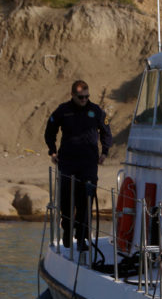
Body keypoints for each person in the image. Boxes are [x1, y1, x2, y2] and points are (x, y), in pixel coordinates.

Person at [44, 80, 113, 250]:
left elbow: (106, 132)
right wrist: (52, 151)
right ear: (73, 95)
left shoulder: (96, 111)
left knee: (85, 200)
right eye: (81, 97)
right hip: (67, 161)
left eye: (87, 96)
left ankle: (81, 236)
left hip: (88, 163)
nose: (84, 100)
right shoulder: (63, 110)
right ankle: (67, 230)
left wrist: (105, 152)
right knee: (67, 200)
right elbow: (49, 131)